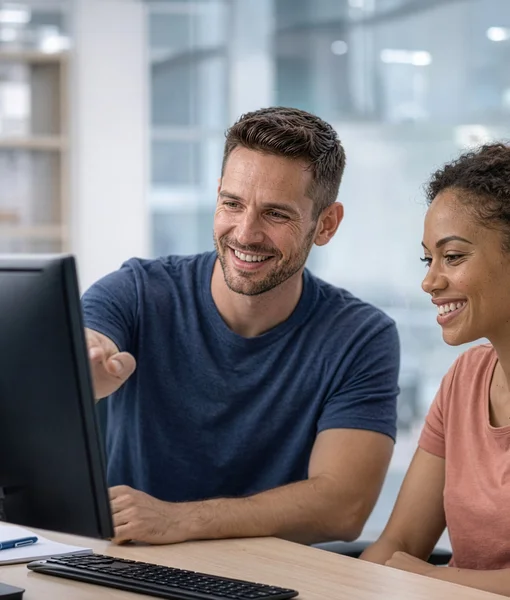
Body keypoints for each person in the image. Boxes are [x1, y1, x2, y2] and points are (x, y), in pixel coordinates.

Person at [82, 106, 400, 546]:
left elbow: (343, 508)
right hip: (130, 562)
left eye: (276, 214)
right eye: (232, 204)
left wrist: (178, 520)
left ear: (325, 224)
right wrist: (83, 368)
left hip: (267, 581)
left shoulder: (361, 336)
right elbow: (84, 344)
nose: (246, 233)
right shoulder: (137, 290)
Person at [360, 143, 510, 597]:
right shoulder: (464, 380)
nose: (430, 281)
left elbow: (413, 566)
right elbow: (399, 543)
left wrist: (430, 577)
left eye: (454, 257)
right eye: (429, 259)